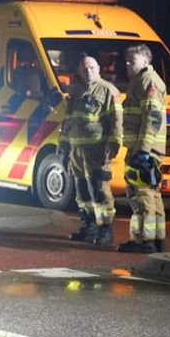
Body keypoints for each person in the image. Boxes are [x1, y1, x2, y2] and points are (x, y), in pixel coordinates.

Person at [59, 54, 122, 246]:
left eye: (92, 67)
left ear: (99, 69)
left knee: (99, 191)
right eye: (85, 68)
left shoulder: (108, 90)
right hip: (77, 150)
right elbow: (68, 120)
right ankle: (89, 226)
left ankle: (105, 230)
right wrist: (63, 146)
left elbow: (116, 122)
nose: (89, 71)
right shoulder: (76, 92)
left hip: (97, 150)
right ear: (79, 71)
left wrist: (114, 145)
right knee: (82, 192)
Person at [119, 44, 167, 253]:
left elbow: (152, 116)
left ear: (146, 62)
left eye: (133, 61)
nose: (128, 64)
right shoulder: (141, 80)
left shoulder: (147, 80)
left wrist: (143, 150)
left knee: (142, 195)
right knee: (150, 193)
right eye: (127, 60)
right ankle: (156, 239)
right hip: (143, 148)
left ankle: (144, 241)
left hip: (144, 149)